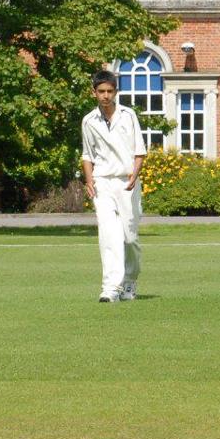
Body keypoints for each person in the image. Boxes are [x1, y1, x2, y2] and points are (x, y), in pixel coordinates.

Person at [80, 70, 144, 304]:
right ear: (94, 92)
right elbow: (87, 155)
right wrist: (89, 181)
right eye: (101, 91)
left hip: (126, 182)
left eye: (109, 91)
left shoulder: (128, 116)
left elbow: (139, 151)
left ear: (115, 92)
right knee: (108, 236)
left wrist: (134, 177)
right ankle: (110, 288)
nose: (105, 96)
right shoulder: (88, 120)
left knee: (130, 238)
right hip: (102, 182)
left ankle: (130, 281)